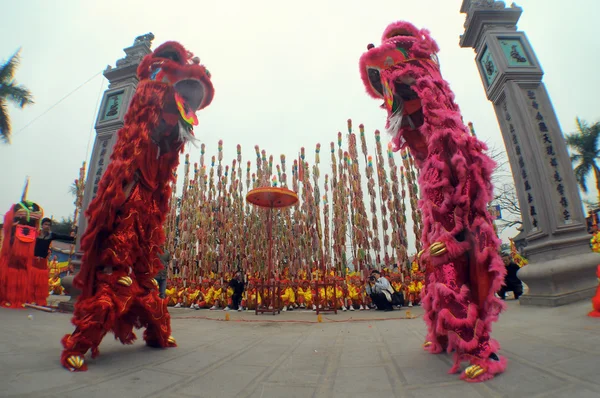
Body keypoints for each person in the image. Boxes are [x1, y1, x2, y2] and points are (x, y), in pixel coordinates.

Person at [31, 218, 75, 306]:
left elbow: (63, 237)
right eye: (45, 224)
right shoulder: (35, 233)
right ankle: (29, 298)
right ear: (42, 225)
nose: (47, 226)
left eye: (48, 225)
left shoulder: (51, 235)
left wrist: (73, 237)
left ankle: (38, 299)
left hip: (43, 261)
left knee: (40, 282)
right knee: (31, 280)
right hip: (33, 260)